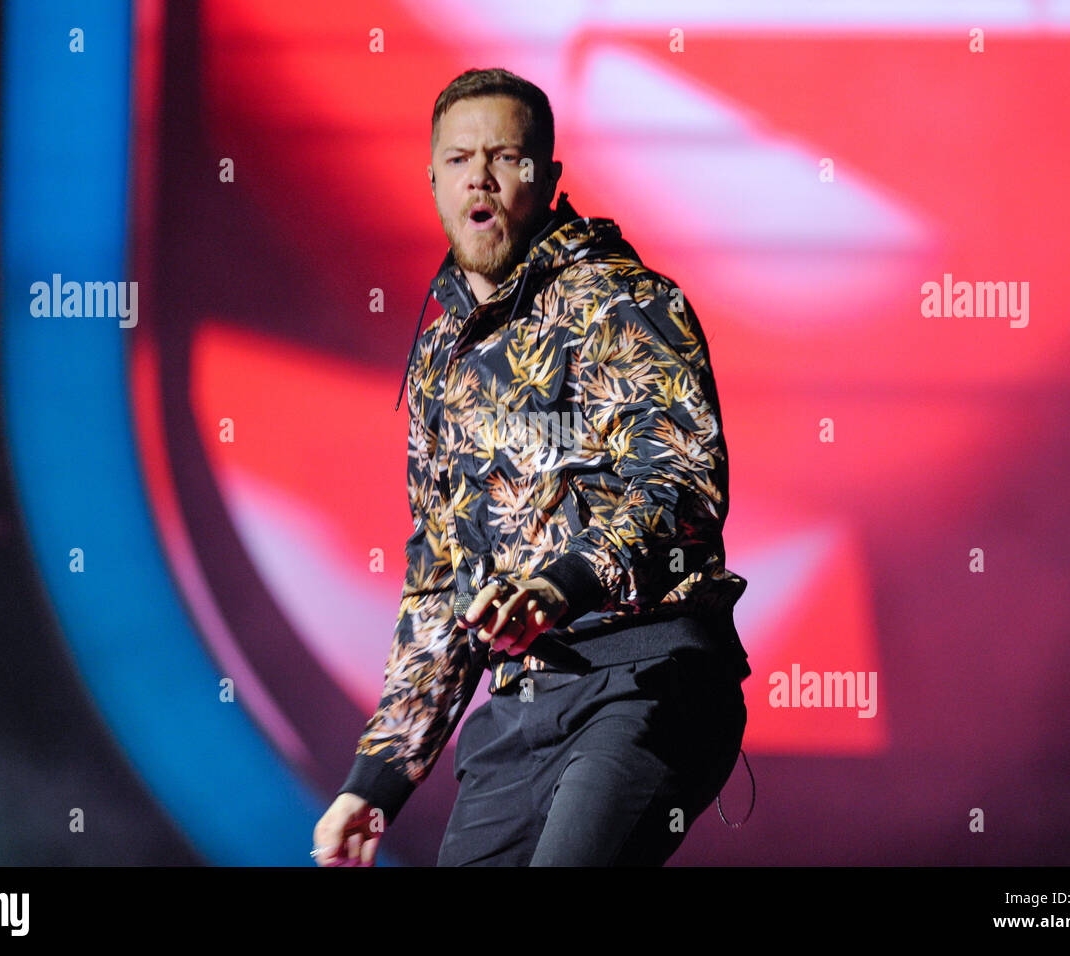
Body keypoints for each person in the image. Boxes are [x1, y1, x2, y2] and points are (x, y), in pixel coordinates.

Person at [313, 67, 751, 866]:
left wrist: (561, 587)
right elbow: (439, 583)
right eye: (458, 159)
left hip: (646, 678)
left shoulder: (621, 301)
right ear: (435, 180)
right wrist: (373, 782)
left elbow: (681, 487)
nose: (478, 175)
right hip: (521, 708)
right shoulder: (441, 361)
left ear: (547, 179)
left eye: (505, 156)